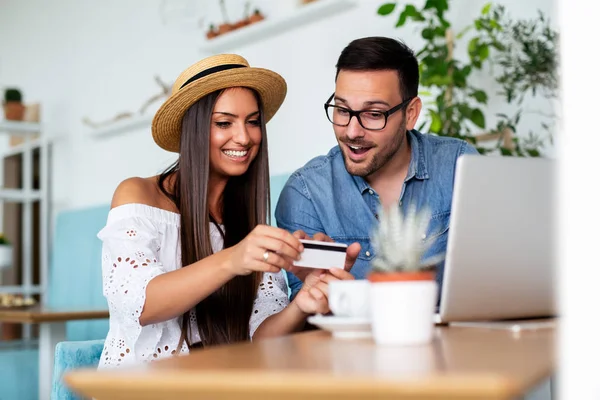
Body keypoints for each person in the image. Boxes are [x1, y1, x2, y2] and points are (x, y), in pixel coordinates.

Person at [97, 54, 353, 368]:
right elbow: (140, 305)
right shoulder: (138, 195)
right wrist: (234, 258)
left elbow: (259, 342)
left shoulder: (245, 221)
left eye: (253, 122)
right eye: (223, 123)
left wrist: (302, 303)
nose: (244, 137)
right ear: (194, 129)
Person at [275, 37, 479, 300]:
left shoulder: (458, 164)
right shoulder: (306, 193)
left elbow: (497, 270)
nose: (352, 131)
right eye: (342, 110)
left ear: (411, 113)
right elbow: (304, 319)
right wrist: (319, 295)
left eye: (374, 114)